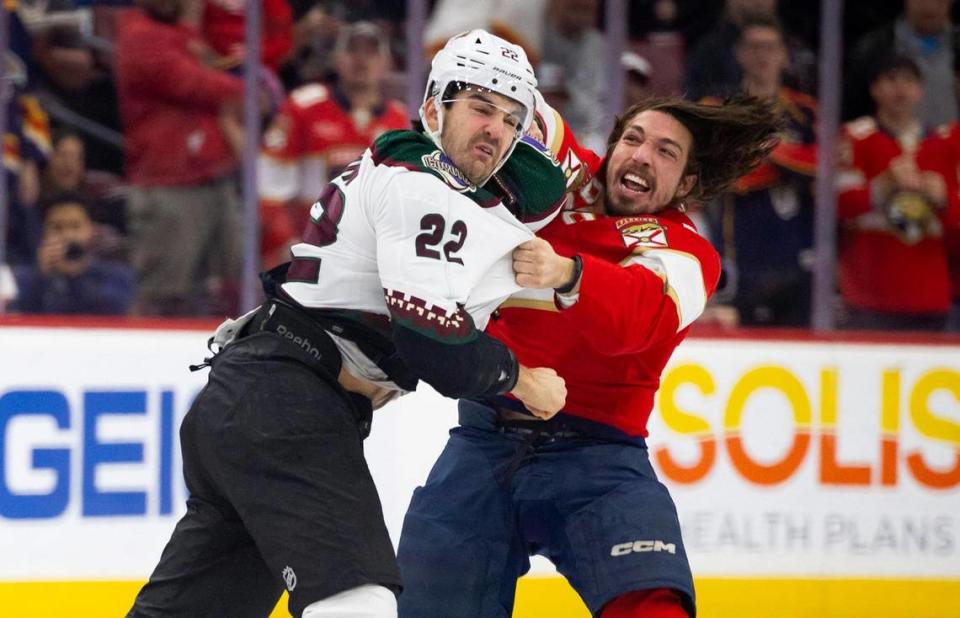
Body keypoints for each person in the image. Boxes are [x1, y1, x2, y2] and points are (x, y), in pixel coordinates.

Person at [127, 29, 568, 618]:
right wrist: (520, 378)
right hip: (286, 402)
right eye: (482, 107)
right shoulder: (419, 182)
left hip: (251, 398)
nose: (496, 129)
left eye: (512, 119)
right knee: (359, 602)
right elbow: (433, 342)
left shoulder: (434, 188)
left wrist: (567, 274)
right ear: (435, 107)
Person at [396, 94, 782, 617]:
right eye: (633, 139)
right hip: (483, 441)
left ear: (686, 184)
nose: (642, 156)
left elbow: (634, 318)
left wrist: (567, 272)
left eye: (666, 153)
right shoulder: (564, 177)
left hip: (598, 459)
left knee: (653, 608)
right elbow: (529, 109)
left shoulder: (689, 253)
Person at [115, 0, 246, 316]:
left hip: (213, 178)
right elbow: (194, 83)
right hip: (168, 187)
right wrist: (244, 88)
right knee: (163, 295)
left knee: (236, 287)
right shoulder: (138, 34)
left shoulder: (183, 32)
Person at [258, 20, 409, 268]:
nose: (361, 59)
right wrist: (288, 243)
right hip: (309, 249)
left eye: (371, 52)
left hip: (372, 259)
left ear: (387, 64)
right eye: (352, 50)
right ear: (337, 59)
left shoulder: (401, 120)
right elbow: (269, 188)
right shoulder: (303, 107)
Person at [704, 16, 817, 327]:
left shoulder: (806, 110)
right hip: (740, 255)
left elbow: (824, 165)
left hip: (798, 257)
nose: (762, 55)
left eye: (769, 47)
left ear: (784, 54)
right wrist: (789, 163)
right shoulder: (717, 108)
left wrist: (764, 151)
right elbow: (727, 175)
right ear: (739, 54)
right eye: (753, 47)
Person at [836, 53, 958, 331]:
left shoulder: (945, 143)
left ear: (920, 90)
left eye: (908, 80)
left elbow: (955, 220)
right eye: (891, 80)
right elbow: (837, 205)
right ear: (874, 89)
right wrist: (883, 186)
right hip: (869, 294)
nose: (900, 89)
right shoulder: (855, 138)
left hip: (930, 294)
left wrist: (944, 199)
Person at [12, 193, 133, 315]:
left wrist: (76, 276)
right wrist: (41, 276)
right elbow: (18, 312)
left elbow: (115, 308)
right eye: (57, 227)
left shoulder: (115, 275)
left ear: (90, 229)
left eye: (75, 226)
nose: (67, 235)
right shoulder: (25, 276)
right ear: (44, 231)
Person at [845, 0, 960, 127]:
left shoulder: (956, 46)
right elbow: (851, 112)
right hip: (885, 143)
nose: (929, 6)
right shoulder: (873, 49)